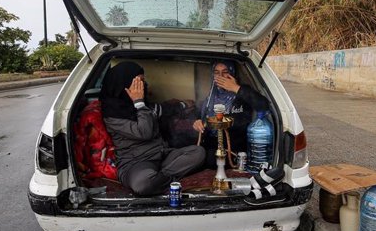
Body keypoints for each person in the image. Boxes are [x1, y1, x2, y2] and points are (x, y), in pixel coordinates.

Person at [101, 61, 205, 196]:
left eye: (143, 82)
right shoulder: (112, 115)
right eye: (138, 83)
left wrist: (183, 105)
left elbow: (163, 110)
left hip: (162, 156)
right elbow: (144, 132)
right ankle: (158, 179)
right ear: (124, 84)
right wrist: (138, 103)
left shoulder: (146, 105)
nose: (143, 87)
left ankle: (159, 178)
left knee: (199, 152)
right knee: (144, 185)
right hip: (136, 163)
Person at [193, 60, 270, 168]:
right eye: (216, 72)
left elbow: (263, 105)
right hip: (210, 144)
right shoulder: (212, 94)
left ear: (232, 73)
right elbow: (201, 114)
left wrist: (235, 88)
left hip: (233, 148)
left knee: (210, 160)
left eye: (225, 72)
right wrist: (197, 122)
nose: (220, 76)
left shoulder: (243, 92)